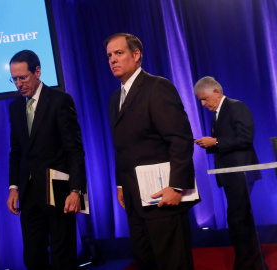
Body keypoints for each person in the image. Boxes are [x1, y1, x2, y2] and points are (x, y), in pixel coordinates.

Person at [105, 33, 198, 270]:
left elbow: (180, 139)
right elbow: (121, 146)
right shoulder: (115, 98)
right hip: (135, 201)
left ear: (136, 55)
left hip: (163, 197)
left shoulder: (157, 87)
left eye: (119, 53)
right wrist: (120, 185)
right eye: (109, 56)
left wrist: (177, 186)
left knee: (172, 263)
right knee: (146, 261)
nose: (113, 60)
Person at [6, 50, 87, 270]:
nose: (19, 84)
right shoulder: (15, 107)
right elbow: (17, 151)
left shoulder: (60, 100)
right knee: (33, 257)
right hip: (29, 193)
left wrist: (76, 190)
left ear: (38, 71)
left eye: (23, 77)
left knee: (63, 256)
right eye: (14, 79)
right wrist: (14, 187)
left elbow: (74, 150)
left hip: (58, 189)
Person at [194, 76, 266, 270]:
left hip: (241, 172)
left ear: (216, 93)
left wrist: (215, 141)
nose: (203, 103)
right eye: (200, 100)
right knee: (241, 219)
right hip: (230, 174)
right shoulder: (217, 113)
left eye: (205, 99)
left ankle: (245, 264)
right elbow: (226, 140)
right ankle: (254, 263)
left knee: (237, 219)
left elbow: (245, 138)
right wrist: (208, 143)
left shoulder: (235, 107)